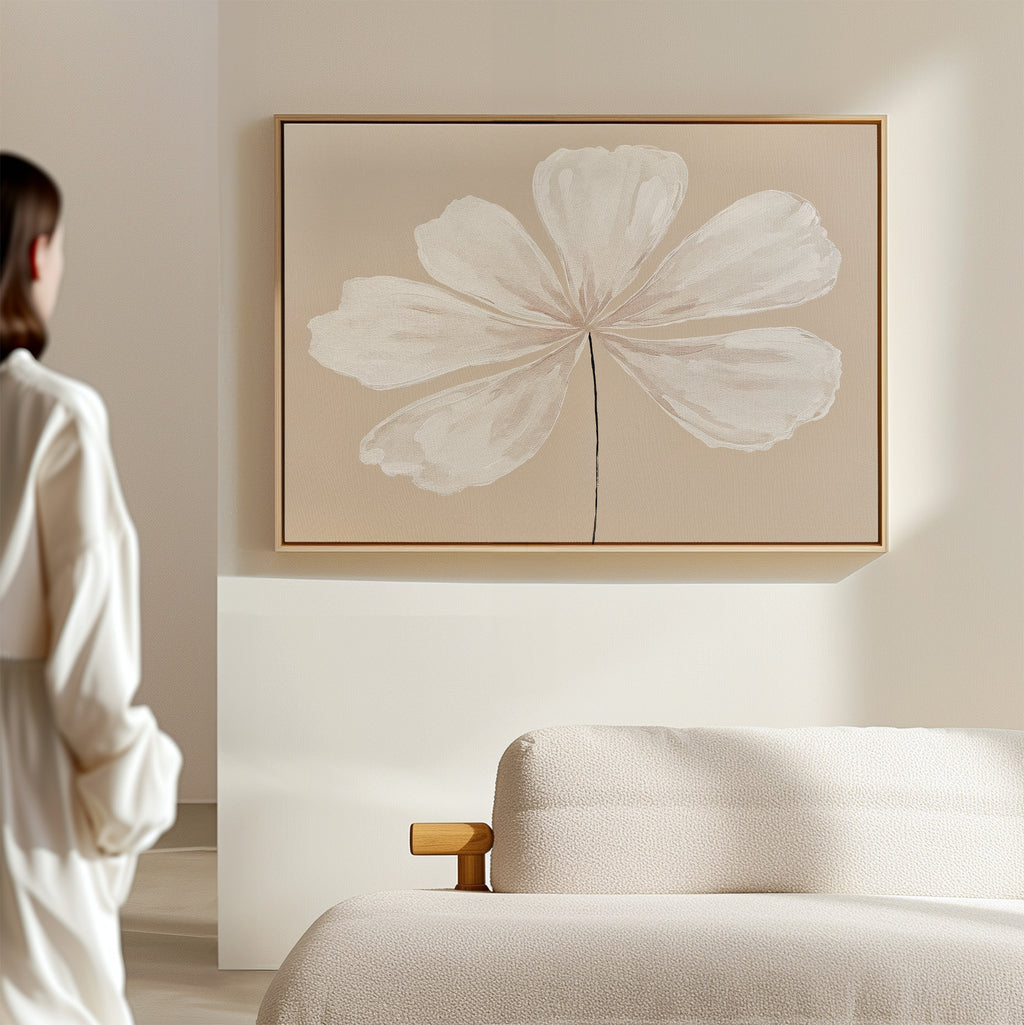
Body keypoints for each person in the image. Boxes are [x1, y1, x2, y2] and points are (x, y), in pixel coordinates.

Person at [0, 153, 182, 1025]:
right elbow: (88, 666)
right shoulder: (54, 415)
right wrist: (131, 789)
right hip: (20, 768)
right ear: (36, 255)